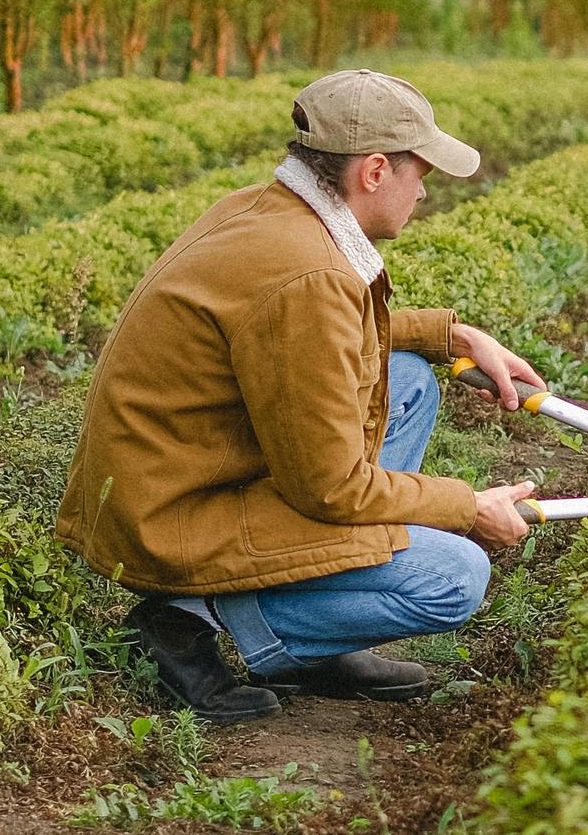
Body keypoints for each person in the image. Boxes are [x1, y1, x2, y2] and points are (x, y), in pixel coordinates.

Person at [56, 69, 543, 723]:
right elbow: (332, 488)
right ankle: (183, 621)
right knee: (454, 576)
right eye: (420, 171)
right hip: (173, 517)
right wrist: (463, 506)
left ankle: (308, 634)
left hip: (179, 476)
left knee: (409, 382)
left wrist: (448, 334)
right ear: (373, 172)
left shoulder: (265, 211)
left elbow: (307, 335)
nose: (424, 190)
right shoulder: (308, 273)